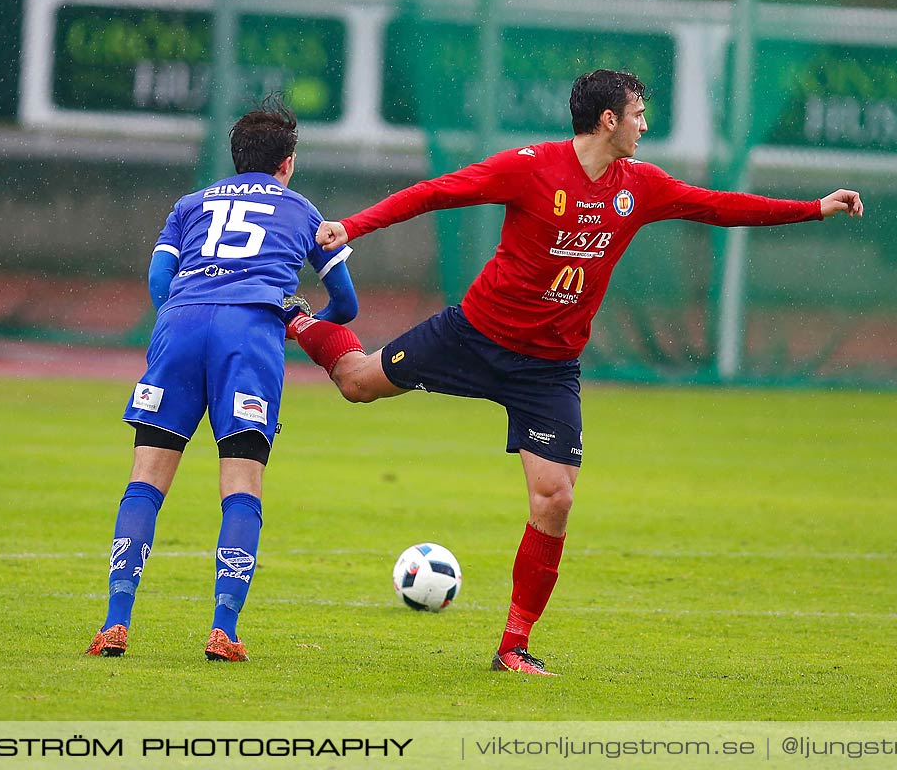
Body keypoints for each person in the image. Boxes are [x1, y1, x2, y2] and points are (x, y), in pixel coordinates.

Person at [282, 68, 862, 675]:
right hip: (473, 335)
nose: (644, 124)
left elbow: (719, 207)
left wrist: (813, 209)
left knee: (555, 498)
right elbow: (437, 192)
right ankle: (297, 319)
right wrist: (354, 225)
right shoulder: (529, 167)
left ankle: (513, 645)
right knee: (356, 384)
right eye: (637, 113)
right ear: (608, 120)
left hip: (548, 370)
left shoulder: (640, 186)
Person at [86, 101, 358, 662]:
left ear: (237, 160)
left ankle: (116, 621)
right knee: (240, 486)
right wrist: (302, 324)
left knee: (145, 482)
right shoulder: (304, 211)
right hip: (249, 335)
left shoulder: (191, 204)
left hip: (181, 326)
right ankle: (224, 629)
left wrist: (181, 318)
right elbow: (347, 304)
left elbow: (160, 278)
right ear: (287, 162)